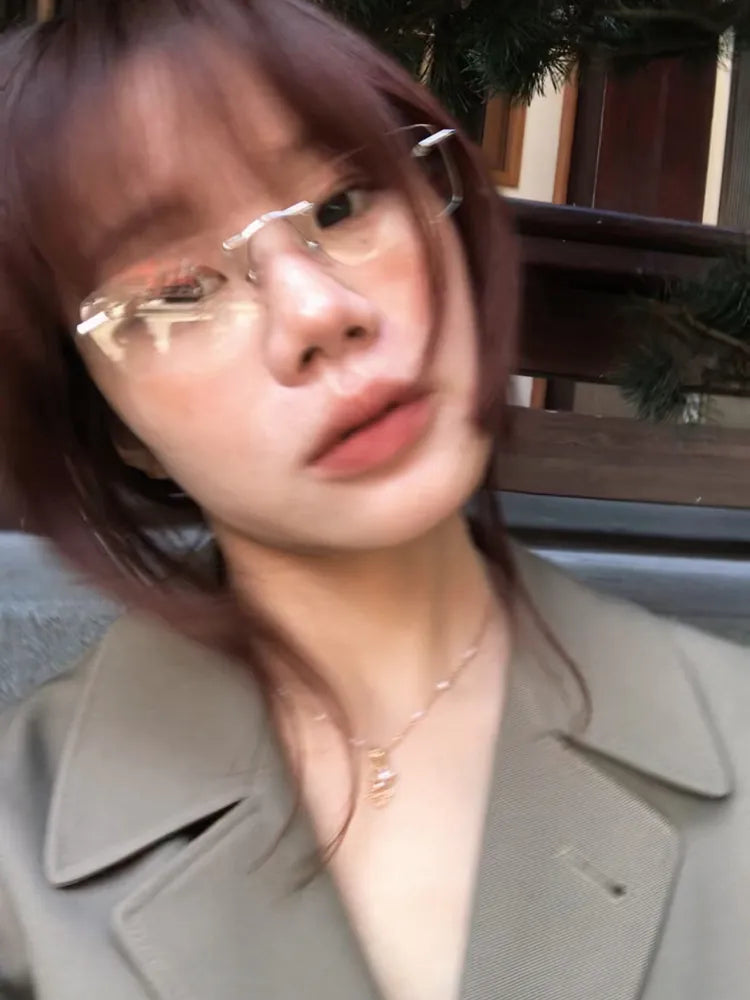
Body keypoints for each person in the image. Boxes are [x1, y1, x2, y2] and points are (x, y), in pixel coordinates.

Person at [0, 2, 748, 998]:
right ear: (113, 422)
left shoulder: (733, 735)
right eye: (177, 291)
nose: (321, 311)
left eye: (344, 204)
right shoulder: (22, 852)